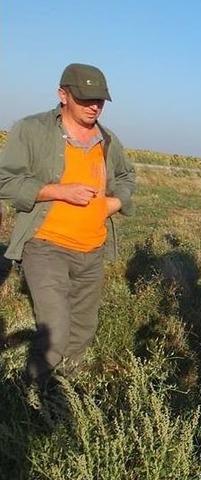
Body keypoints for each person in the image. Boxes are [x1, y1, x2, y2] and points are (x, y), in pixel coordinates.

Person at [0, 63, 136, 381]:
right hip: (46, 246)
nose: (94, 106)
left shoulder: (108, 140)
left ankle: (61, 393)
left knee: (83, 331)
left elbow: (128, 177)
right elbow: (5, 180)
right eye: (86, 99)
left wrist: (114, 202)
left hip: (93, 251)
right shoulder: (31, 130)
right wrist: (57, 192)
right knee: (55, 332)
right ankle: (30, 399)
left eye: (100, 100)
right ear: (63, 95)